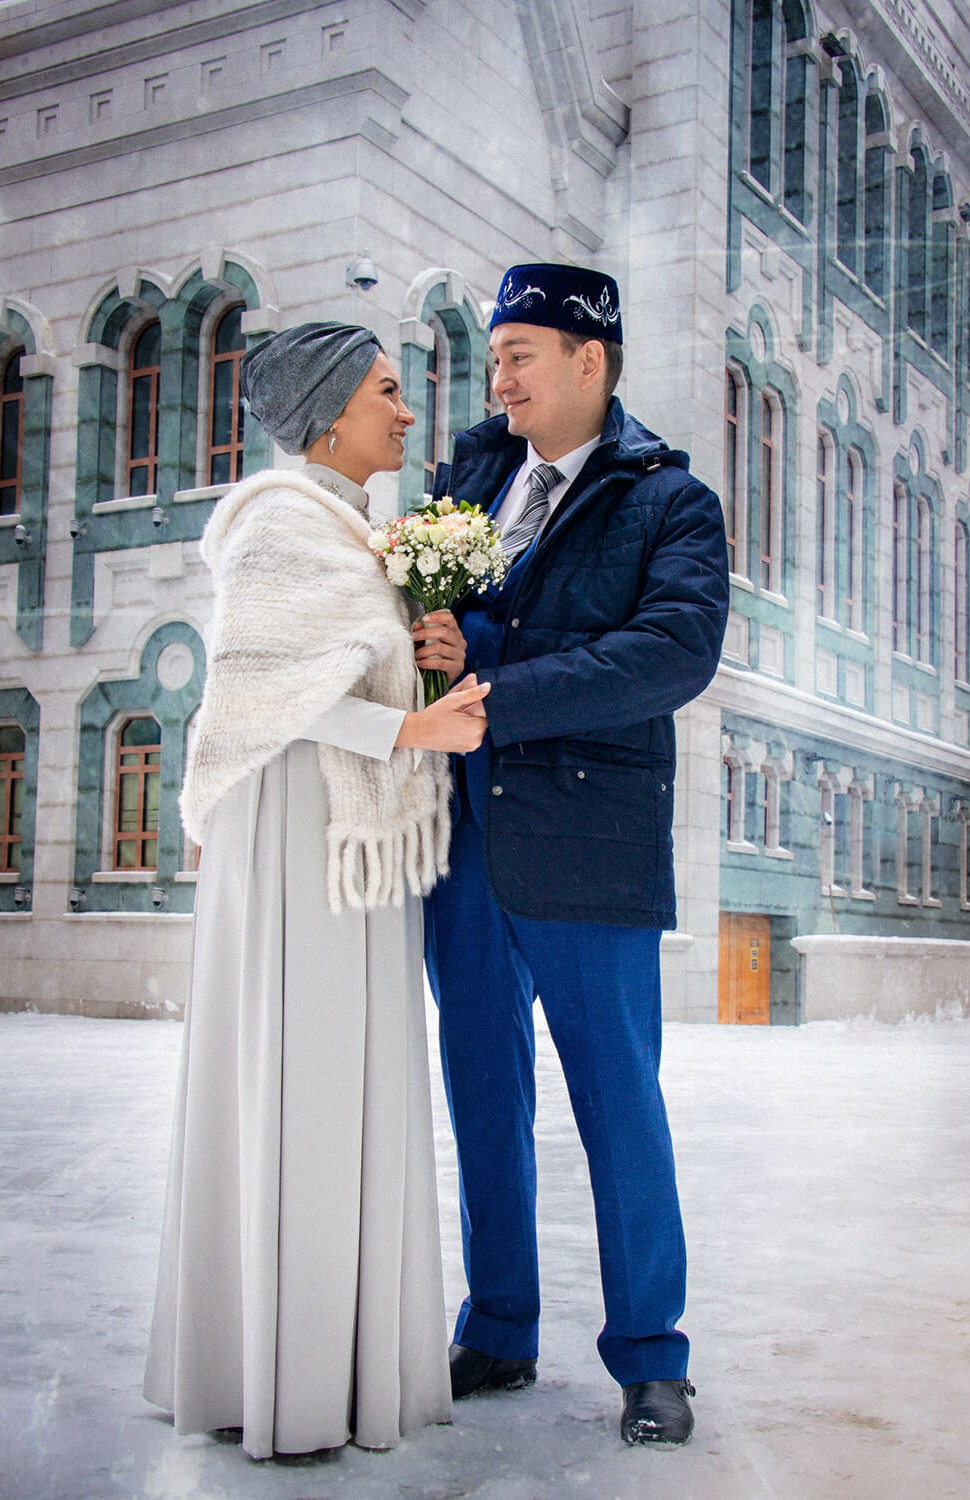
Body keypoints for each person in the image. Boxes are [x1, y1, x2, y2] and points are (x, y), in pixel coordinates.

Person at [143, 321, 486, 1460]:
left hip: (347, 841)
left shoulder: (353, 531)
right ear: (330, 408)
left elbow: (347, 664)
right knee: (296, 1072)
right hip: (297, 842)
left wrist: (425, 649)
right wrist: (410, 722)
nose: (404, 410)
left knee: (346, 1076)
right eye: (386, 391)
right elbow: (260, 699)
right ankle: (277, 1370)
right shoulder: (277, 526)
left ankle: (336, 1363)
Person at [423, 264, 730, 1447]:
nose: (494, 375)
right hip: (460, 841)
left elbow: (667, 656)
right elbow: (440, 632)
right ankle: (496, 1325)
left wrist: (492, 682)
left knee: (616, 1104)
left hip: (588, 850)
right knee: (481, 1096)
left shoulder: (669, 502)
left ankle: (651, 1358)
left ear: (588, 361)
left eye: (517, 355)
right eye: (493, 355)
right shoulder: (469, 476)